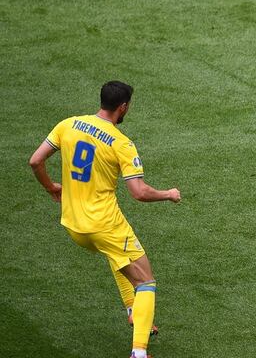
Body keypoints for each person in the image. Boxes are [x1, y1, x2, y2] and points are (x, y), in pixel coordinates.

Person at [28, 81, 181, 358]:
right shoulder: (122, 143)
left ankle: (133, 309)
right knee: (146, 281)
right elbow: (139, 192)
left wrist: (52, 187)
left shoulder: (68, 125)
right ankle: (139, 352)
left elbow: (35, 161)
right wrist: (168, 194)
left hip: (74, 225)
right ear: (123, 107)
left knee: (116, 255)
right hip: (104, 226)